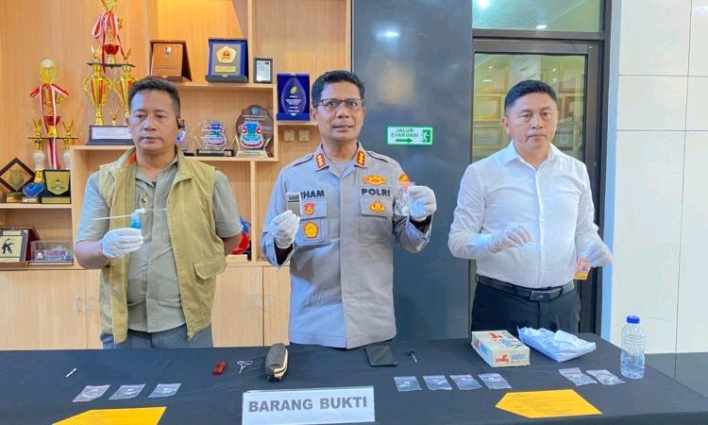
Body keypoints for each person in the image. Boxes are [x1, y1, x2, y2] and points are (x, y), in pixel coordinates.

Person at [261, 70, 437, 349]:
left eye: (352, 104)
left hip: (373, 327)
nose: (343, 113)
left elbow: (411, 242)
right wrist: (281, 242)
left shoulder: (390, 172)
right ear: (314, 113)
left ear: (362, 112)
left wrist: (420, 218)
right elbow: (272, 255)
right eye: (331, 104)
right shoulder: (293, 177)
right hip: (313, 327)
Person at [75, 77, 242, 349]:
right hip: (123, 330)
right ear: (129, 123)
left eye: (160, 116)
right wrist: (105, 248)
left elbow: (232, 237)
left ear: (179, 123)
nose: (149, 125)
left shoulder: (210, 180)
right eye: (140, 116)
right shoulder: (102, 181)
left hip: (188, 326)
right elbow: (83, 253)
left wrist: (201, 259)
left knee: (193, 379)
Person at [448, 79, 612, 335]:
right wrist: (492, 241)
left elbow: (583, 230)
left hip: (563, 304)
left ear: (556, 120)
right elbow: (457, 242)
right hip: (502, 303)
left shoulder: (576, 171)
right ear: (506, 124)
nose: (537, 123)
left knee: (562, 364)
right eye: (526, 115)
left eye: (546, 114)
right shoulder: (482, 173)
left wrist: (593, 247)